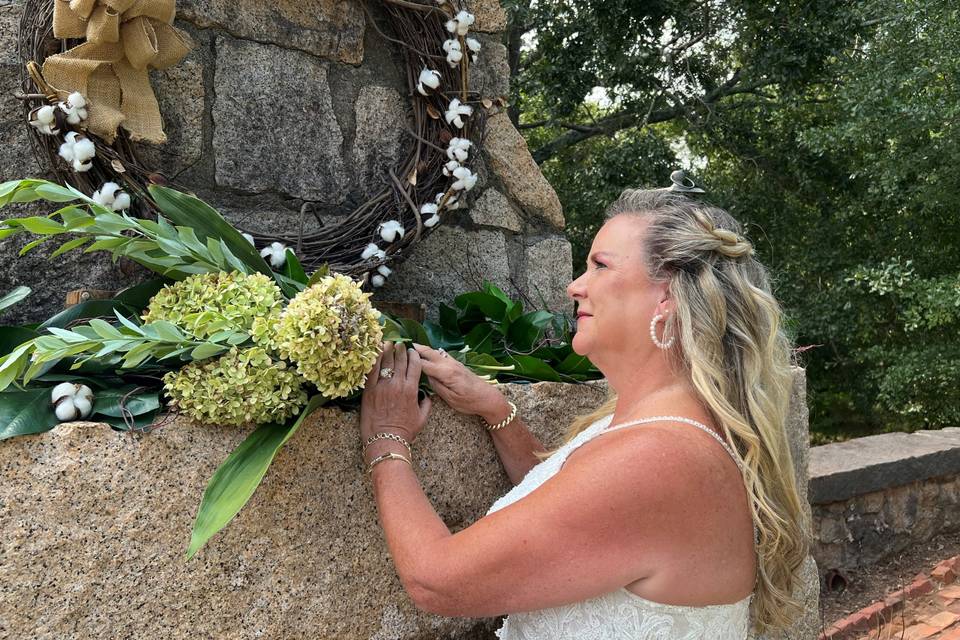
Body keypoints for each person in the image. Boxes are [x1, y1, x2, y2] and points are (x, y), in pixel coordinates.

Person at [358, 187, 812, 639]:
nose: (575, 286)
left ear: (667, 296)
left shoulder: (658, 456)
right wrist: (494, 408)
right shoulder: (664, 427)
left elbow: (436, 581)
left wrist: (386, 439)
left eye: (600, 265)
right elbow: (566, 509)